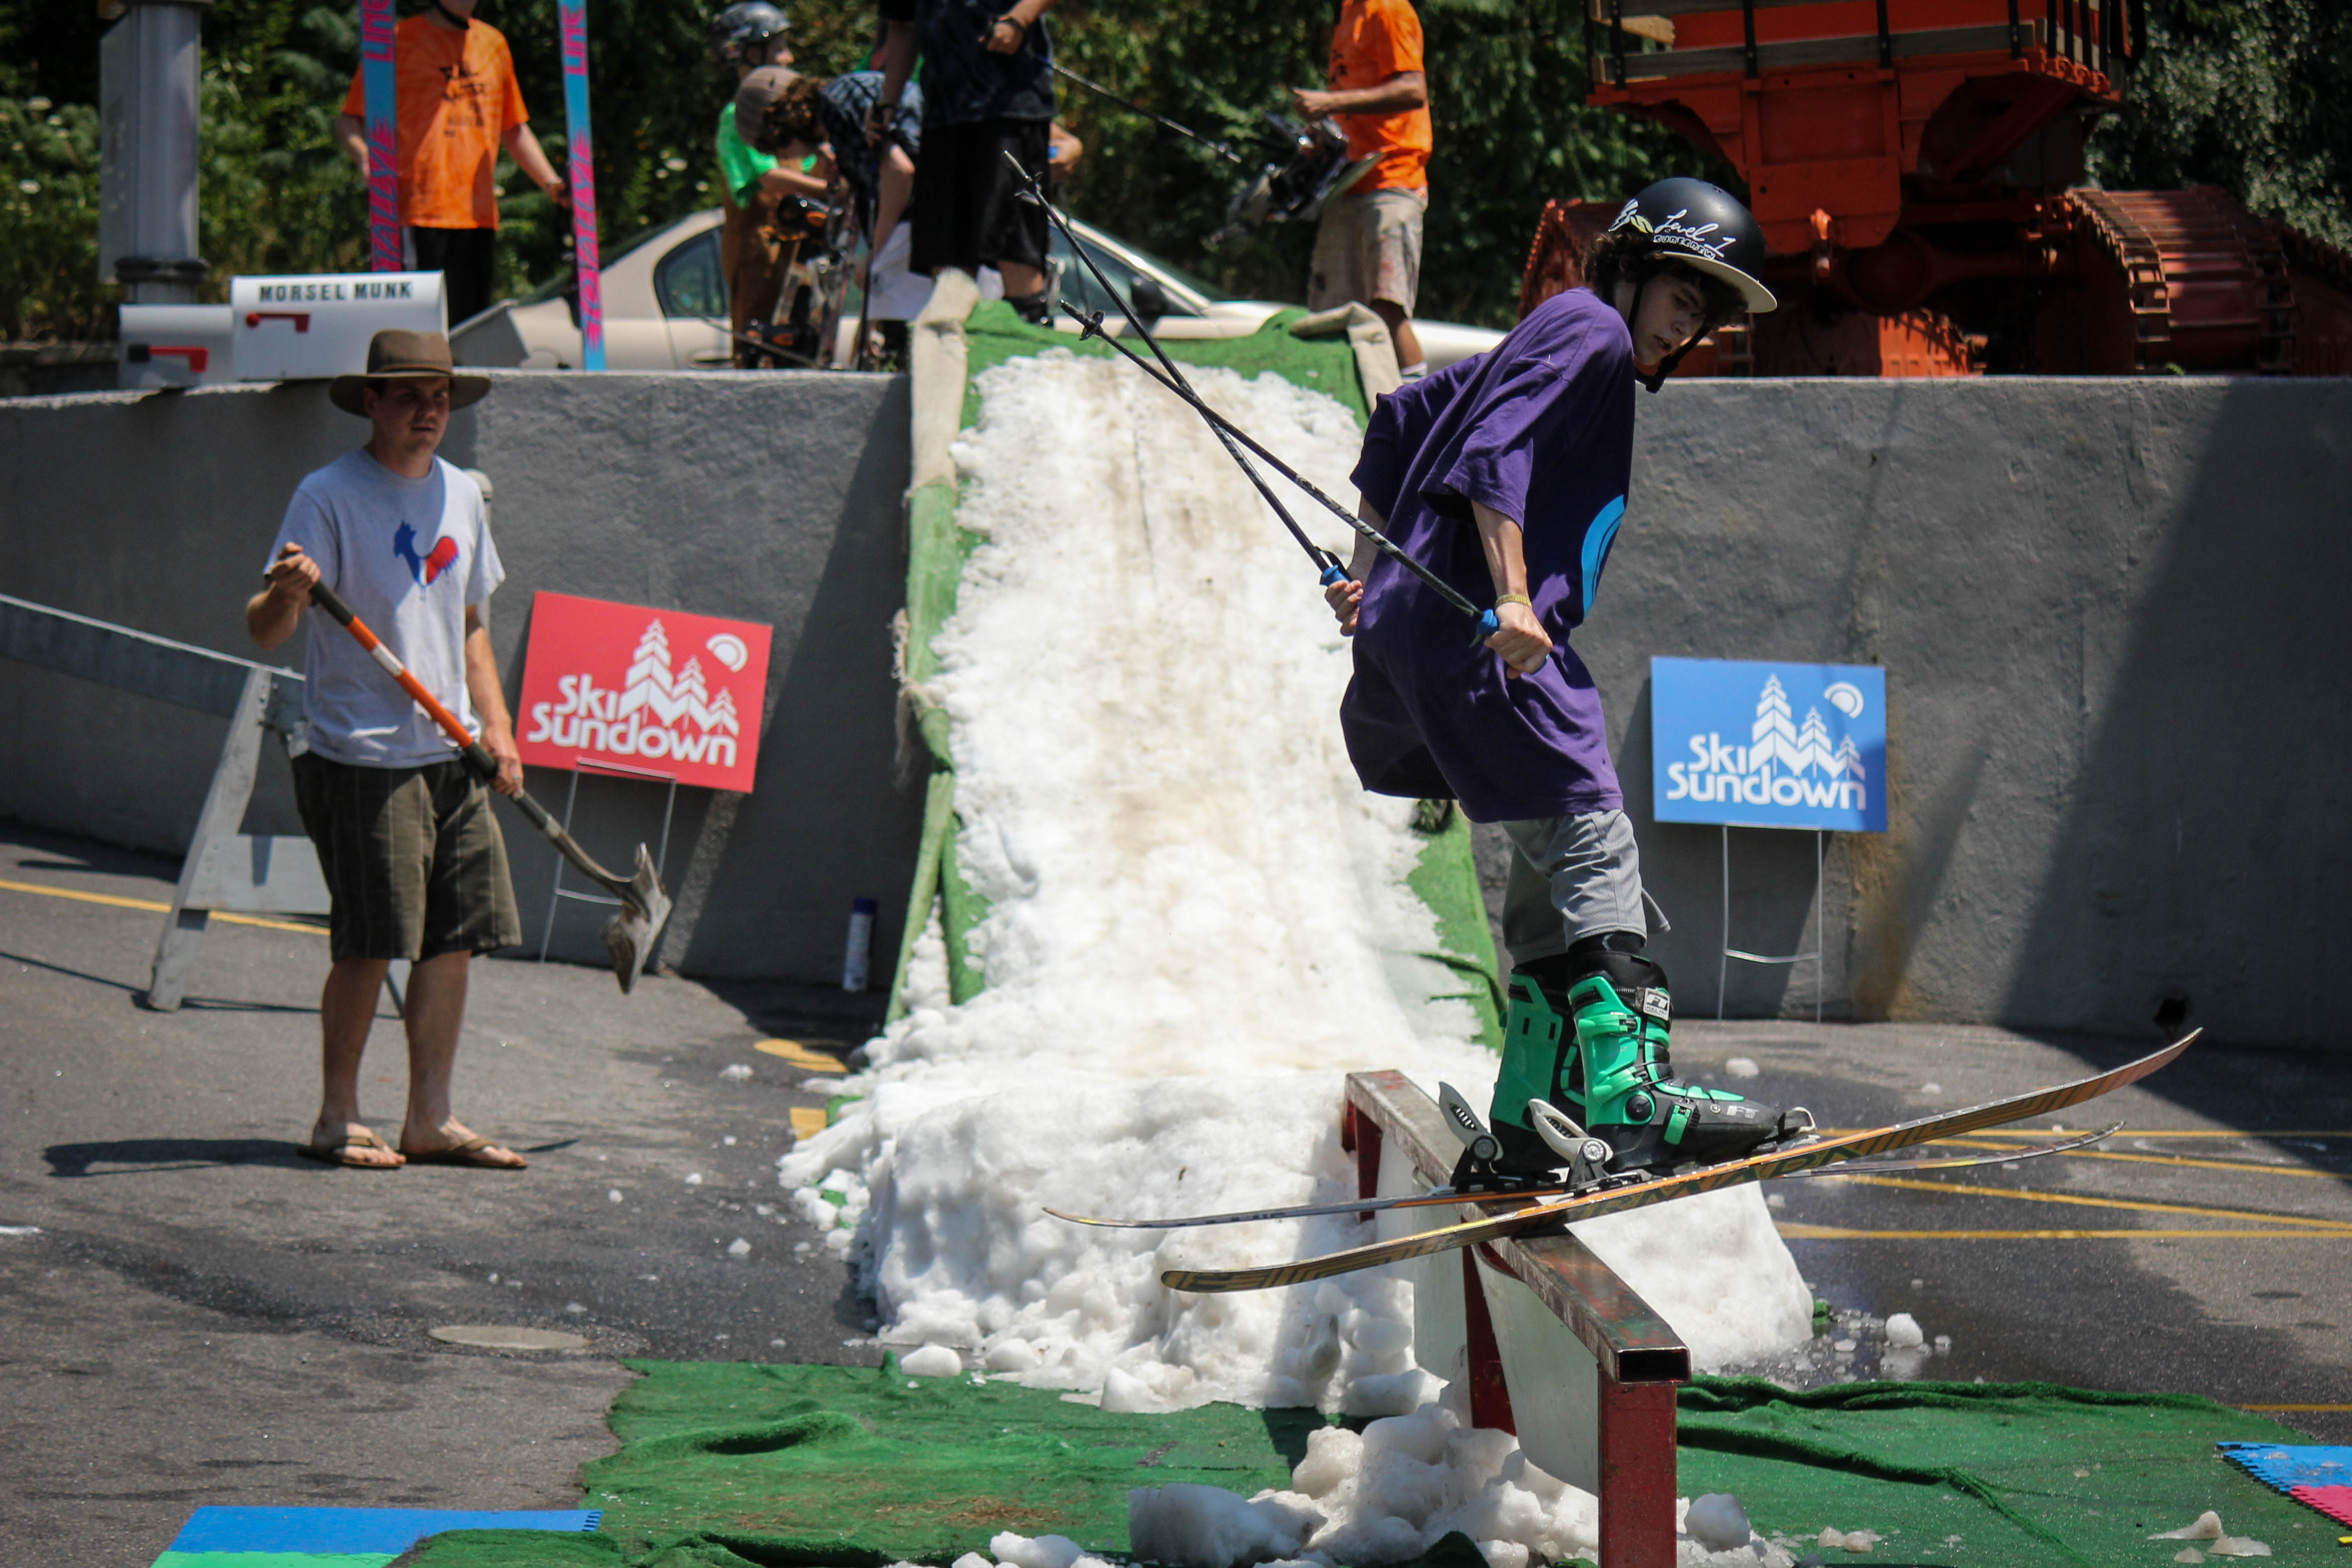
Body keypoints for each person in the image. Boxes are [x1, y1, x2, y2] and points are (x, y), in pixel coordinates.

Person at [1322, 179, 1789, 1181]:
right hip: (1481, 627)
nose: (1686, 324)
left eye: (1702, 313)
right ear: (1627, 268)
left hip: (1426, 623)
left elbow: (1405, 413)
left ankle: (1533, 1113)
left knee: (1548, 858)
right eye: (1680, 294)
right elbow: (1494, 452)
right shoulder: (1593, 337)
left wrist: (1364, 578)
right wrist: (1514, 597)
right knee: (1588, 825)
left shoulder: (1553, 329)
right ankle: (1626, 1094)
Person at [245, 329, 528, 1172]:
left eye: (438, 395)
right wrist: (286, 595)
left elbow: (471, 624)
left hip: (453, 752)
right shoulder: (327, 494)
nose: (428, 410)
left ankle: (429, 1118)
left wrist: (498, 729)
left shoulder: (461, 495)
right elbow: (266, 626)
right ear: (371, 401)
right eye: (408, 394)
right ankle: (338, 1115)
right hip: (361, 756)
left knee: (453, 937)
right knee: (370, 939)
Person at [334, 0, 568, 326]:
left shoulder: (493, 43)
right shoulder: (398, 41)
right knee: (420, 331)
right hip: (418, 211)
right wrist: (366, 157)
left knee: (469, 330)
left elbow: (514, 129)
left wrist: (552, 184)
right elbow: (349, 121)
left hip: (478, 215)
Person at [868, 0, 1060, 323]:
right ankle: (949, 347)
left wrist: (1019, 19)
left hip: (1009, 108)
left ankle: (1030, 345)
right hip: (942, 116)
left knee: (1014, 247)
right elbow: (902, 27)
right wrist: (888, 102)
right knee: (947, 259)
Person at [1291, 0, 1432, 379]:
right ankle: (1344, 417)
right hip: (1348, 184)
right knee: (1333, 316)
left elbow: (1412, 90)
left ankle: (1423, 418)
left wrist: (1328, 103)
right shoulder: (1348, 14)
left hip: (1392, 181)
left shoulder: (1387, 8)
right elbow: (1357, 103)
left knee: (1386, 310)